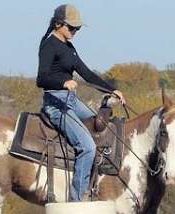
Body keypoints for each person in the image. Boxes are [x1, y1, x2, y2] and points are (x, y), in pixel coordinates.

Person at [36, 4, 126, 202]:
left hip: (71, 101)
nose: (74, 31)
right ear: (59, 24)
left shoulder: (69, 47)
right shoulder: (49, 45)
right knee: (87, 146)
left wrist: (112, 90)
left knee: (100, 125)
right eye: (71, 27)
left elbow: (87, 74)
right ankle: (77, 199)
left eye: (77, 28)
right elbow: (41, 79)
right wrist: (63, 82)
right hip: (55, 104)